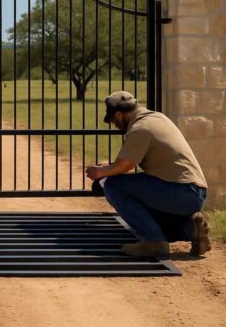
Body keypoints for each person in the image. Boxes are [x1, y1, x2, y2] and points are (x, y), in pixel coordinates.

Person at [85, 91, 211, 258]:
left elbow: (125, 165)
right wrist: (110, 167)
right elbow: (128, 164)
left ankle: (153, 242)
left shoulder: (140, 128)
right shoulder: (156, 118)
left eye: (113, 119)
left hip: (181, 192)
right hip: (192, 192)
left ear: (119, 114)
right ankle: (191, 229)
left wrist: (101, 172)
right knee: (149, 220)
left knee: (113, 185)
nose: (114, 124)